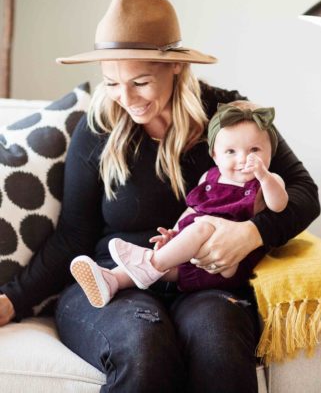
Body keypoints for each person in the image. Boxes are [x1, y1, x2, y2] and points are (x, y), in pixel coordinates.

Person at [0, 0, 320, 393]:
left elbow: (304, 191)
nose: (126, 98)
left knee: (217, 344)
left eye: (140, 82)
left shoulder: (230, 118)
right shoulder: (99, 127)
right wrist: (11, 299)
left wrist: (252, 233)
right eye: (112, 82)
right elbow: (73, 235)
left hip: (206, 284)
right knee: (143, 344)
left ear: (176, 68)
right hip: (113, 281)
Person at [70, 100, 289, 307]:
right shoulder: (209, 177)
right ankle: (111, 280)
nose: (243, 159)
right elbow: (192, 209)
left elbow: (279, 205)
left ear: (271, 151)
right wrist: (174, 234)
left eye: (254, 150)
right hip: (193, 254)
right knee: (166, 259)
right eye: (231, 151)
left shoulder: (267, 182)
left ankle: (148, 264)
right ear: (214, 154)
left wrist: (264, 176)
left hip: (226, 261)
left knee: (199, 229)